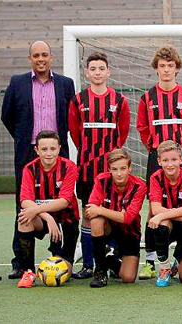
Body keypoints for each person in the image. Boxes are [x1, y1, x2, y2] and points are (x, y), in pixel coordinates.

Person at [2, 40, 76, 279]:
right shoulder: (17, 83)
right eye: (36, 55)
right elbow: (7, 116)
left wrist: (54, 148)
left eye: (45, 54)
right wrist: (27, 141)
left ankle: (57, 257)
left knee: (60, 204)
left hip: (57, 153)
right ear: (30, 58)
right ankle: (22, 264)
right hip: (27, 152)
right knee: (23, 208)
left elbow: (71, 117)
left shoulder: (65, 84)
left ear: (51, 57)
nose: (41, 58)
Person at [137, 45, 182, 280]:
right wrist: (156, 149)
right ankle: (151, 261)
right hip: (158, 157)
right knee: (152, 206)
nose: (166, 70)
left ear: (177, 69)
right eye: (162, 66)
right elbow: (143, 128)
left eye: (171, 66)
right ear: (156, 69)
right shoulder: (147, 97)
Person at [67, 52, 130, 279]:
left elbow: (122, 132)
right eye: (92, 69)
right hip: (86, 168)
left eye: (101, 69)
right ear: (86, 73)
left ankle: (112, 263)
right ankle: (88, 264)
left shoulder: (119, 100)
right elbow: (75, 133)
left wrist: (111, 159)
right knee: (89, 214)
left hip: (111, 170)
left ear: (108, 72)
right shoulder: (78, 100)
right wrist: (88, 153)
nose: (97, 73)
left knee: (112, 213)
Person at [15, 131, 80, 288]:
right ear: (37, 150)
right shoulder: (29, 169)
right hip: (44, 220)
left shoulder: (69, 167)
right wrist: (47, 217)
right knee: (24, 219)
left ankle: (59, 258)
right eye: (44, 149)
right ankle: (28, 272)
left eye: (52, 148)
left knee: (65, 272)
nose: (49, 153)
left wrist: (38, 210)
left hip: (67, 220)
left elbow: (64, 201)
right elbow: (25, 201)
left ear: (59, 148)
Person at [84, 149, 147, 288]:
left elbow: (128, 218)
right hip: (109, 227)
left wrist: (101, 209)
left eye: (123, 168)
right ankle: (100, 271)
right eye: (115, 169)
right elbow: (90, 210)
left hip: (130, 231)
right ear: (109, 169)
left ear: (129, 168)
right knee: (96, 220)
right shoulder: (101, 180)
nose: (119, 173)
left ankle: (109, 258)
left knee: (128, 277)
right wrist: (117, 214)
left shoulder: (139, 186)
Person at [147, 140, 182, 286]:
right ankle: (164, 268)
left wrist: (163, 215)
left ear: (181, 160)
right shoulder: (155, 178)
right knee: (161, 222)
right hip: (174, 225)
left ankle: (179, 257)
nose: (170, 164)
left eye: (174, 159)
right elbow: (155, 209)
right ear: (159, 161)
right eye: (165, 160)